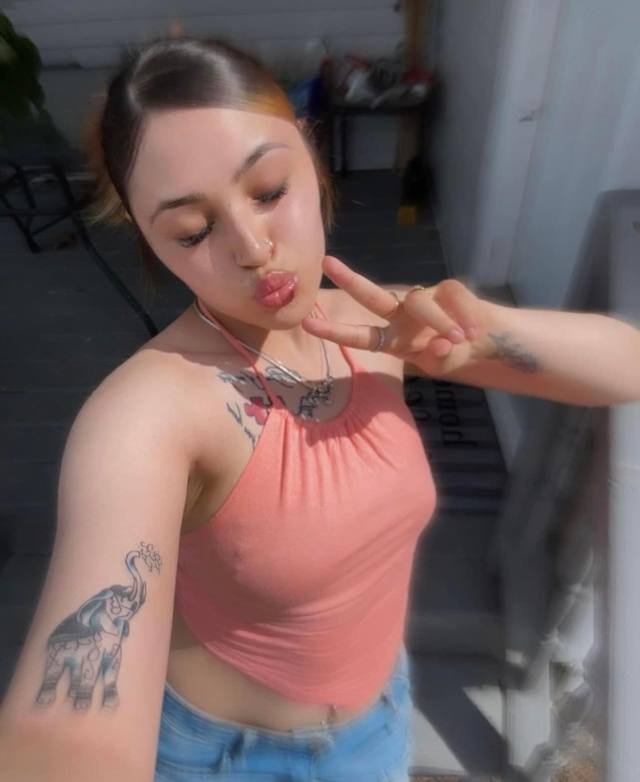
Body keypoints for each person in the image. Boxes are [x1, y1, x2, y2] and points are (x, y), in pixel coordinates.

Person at [1, 34, 639, 782]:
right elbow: (66, 731)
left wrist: (481, 338)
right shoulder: (149, 412)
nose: (252, 247)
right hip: (223, 760)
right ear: (149, 238)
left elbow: (625, 365)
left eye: (269, 190)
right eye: (193, 231)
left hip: (380, 725)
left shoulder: (372, 328)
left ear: (310, 151)